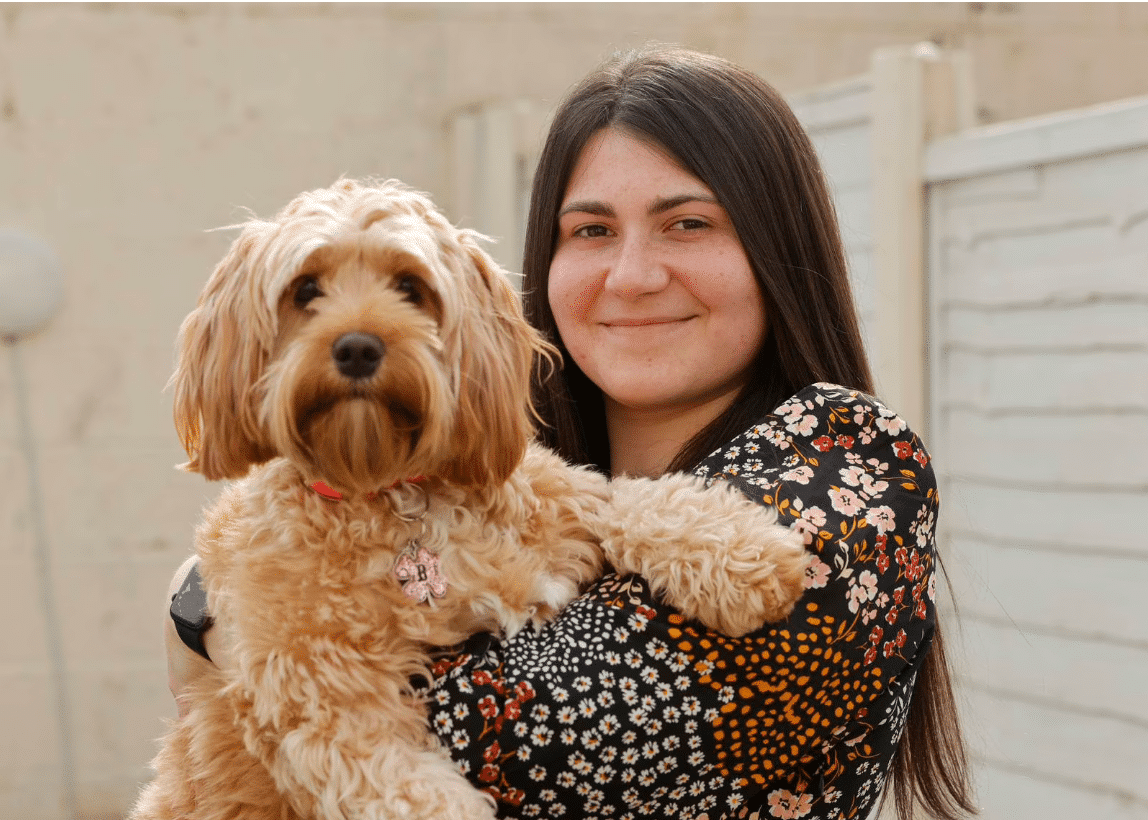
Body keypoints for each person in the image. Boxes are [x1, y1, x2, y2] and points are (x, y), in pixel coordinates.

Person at [166, 45, 976, 820]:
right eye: (590, 231)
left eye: (687, 224)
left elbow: (557, 739)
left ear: (774, 244)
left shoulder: (852, 461)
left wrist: (221, 634)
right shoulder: (524, 474)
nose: (632, 275)